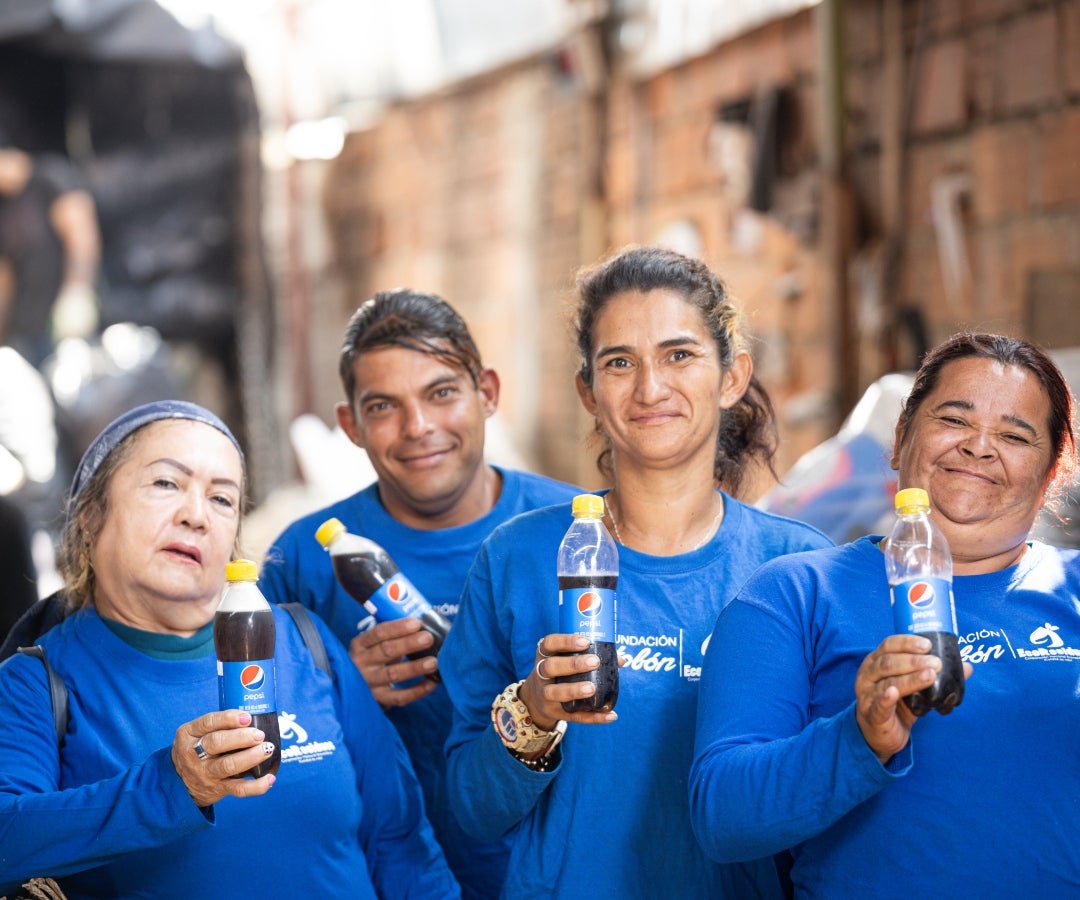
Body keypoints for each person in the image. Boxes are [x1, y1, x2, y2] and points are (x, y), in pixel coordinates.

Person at [438, 245, 832, 899]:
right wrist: (534, 709)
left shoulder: (798, 567)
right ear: (588, 392)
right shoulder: (519, 560)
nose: (650, 388)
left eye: (679, 355)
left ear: (732, 377)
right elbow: (472, 809)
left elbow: (830, 794)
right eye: (620, 363)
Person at [0, 400, 459, 898]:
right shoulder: (37, 683)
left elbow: (400, 842)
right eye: (165, 483)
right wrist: (173, 786)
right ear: (90, 516)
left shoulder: (306, 642)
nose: (197, 515)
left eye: (223, 499)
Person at [690, 332, 1080, 895]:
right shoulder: (796, 594)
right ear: (900, 439)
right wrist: (859, 736)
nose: (979, 447)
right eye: (955, 420)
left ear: (1051, 475)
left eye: (1015, 435)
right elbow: (722, 818)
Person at [258, 289, 579, 899]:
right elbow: (251, 744)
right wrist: (338, 694)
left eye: (441, 392)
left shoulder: (571, 532)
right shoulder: (303, 557)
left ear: (487, 392)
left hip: (552, 876)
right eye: (383, 406)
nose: (419, 427)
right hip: (382, 878)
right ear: (350, 424)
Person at [0, 146, 101, 367]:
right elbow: (5, 278)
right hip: (26, 333)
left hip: (64, 322)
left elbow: (81, 236)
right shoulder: (4, 206)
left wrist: (77, 291)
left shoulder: (48, 179)